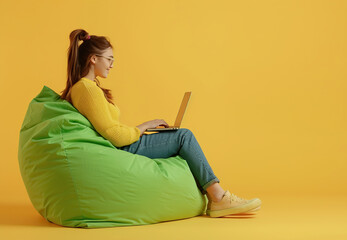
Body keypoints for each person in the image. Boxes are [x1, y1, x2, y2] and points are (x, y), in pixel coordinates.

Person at [60, 29, 261, 218]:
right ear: (94, 59)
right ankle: (218, 197)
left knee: (180, 138)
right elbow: (115, 135)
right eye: (109, 59)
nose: (112, 65)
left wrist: (143, 127)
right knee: (183, 136)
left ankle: (212, 195)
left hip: (122, 144)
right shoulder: (87, 89)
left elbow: (109, 128)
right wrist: (144, 126)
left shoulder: (86, 87)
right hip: (122, 148)